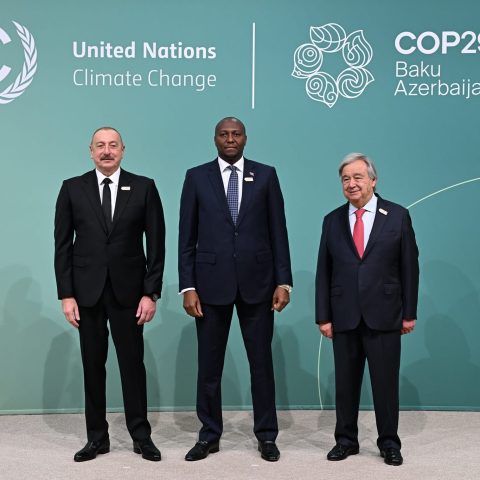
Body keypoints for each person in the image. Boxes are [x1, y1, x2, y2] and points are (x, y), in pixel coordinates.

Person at [178, 117, 292, 462]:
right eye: (224, 134)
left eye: (236, 134)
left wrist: (283, 281)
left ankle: (267, 436)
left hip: (259, 284)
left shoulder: (266, 175)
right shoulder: (196, 177)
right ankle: (209, 435)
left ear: (245, 138)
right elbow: (186, 237)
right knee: (209, 368)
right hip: (209, 286)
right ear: (215, 139)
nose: (230, 139)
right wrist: (188, 286)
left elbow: (278, 230)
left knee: (261, 366)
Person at [54, 127, 165, 462]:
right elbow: (62, 246)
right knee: (92, 366)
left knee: (132, 366)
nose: (106, 151)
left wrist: (151, 293)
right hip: (86, 294)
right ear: (90, 151)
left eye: (112, 145)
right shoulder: (72, 188)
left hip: (130, 294)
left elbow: (156, 245)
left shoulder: (144, 187)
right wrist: (66, 295)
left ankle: (141, 436)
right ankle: (96, 438)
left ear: (123, 150)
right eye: (100, 145)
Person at [315, 153, 419, 466]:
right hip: (344, 314)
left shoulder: (397, 216)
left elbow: (409, 268)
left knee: (385, 385)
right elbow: (324, 271)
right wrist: (323, 316)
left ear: (373, 180)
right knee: (345, 385)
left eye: (358, 177)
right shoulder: (332, 220)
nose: (351, 184)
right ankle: (345, 441)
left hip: (385, 314)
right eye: (345, 178)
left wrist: (409, 313)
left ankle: (389, 443)